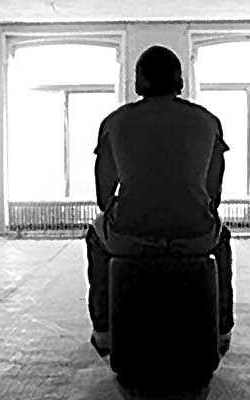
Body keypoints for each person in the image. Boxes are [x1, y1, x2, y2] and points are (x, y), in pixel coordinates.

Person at [86, 45, 233, 357]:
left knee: (94, 235)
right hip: (195, 235)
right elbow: (215, 194)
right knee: (222, 239)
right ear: (180, 80)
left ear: (139, 81)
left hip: (130, 236)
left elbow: (102, 197)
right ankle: (221, 330)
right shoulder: (208, 121)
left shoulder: (115, 122)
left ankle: (104, 331)